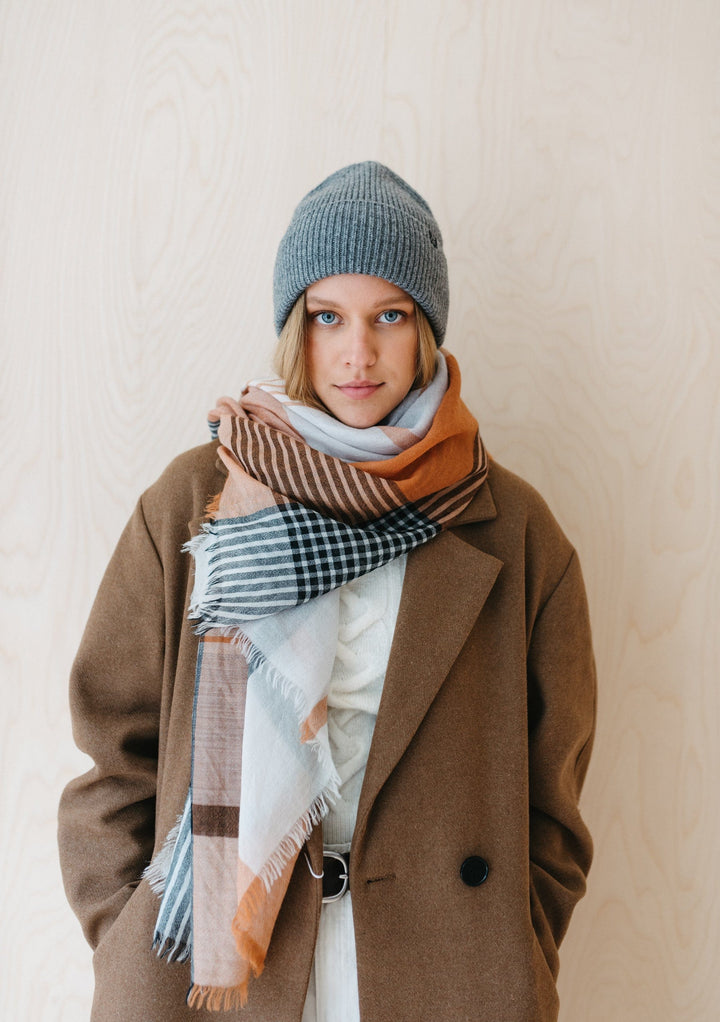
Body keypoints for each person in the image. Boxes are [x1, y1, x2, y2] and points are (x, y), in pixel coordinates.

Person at [58, 161, 596, 1022]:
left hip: (445, 973)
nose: (358, 352)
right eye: (327, 317)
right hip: (229, 969)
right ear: (293, 330)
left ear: (426, 330)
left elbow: (554, 807)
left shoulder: (514, 529)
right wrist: (128, 929)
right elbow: (111, 757)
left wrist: (513, 941)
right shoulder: (198, 502)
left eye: (390, 315)